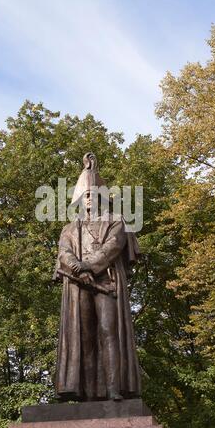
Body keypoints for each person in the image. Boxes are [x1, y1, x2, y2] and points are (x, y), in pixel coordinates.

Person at [53, 153, 141, 401]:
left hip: (107, 281)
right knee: (84, 335)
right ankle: (88, 393)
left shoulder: (116, 221)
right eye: (86, 195)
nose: (90, 198)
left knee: (107, 331)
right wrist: (76, 266)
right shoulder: (70, 228)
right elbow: (64, 252)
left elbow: (112, 247)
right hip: (77, 284)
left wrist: (88, 265)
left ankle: (113, 389)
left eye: (94, 194)